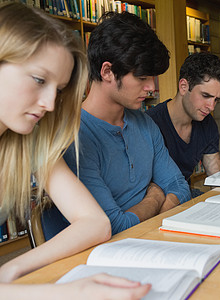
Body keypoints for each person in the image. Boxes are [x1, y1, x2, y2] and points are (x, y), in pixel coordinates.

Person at [0, 2, 150, 298]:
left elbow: (96, 223)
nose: (50, 104)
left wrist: (12, 268)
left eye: (58, 89)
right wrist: (64, 292)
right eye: (39, 80)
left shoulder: (29, 140)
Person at [58, 11, 190, 236]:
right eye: (142, 78)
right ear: (107, 72)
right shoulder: (75, 137)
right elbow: (113, 226)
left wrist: (155, 218)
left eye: (152, 78)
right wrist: (156, 196)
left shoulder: (145, 123)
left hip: (155, 238)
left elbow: (180, 187)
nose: (151, 87)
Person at [146, 52, 220, 196]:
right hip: (155, 202)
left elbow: (216, 179)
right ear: (184, 86)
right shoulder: (150, 123)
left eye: (216, 99)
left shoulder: (207, 123)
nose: (211, 107)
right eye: (205, 96)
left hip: (183, 196)